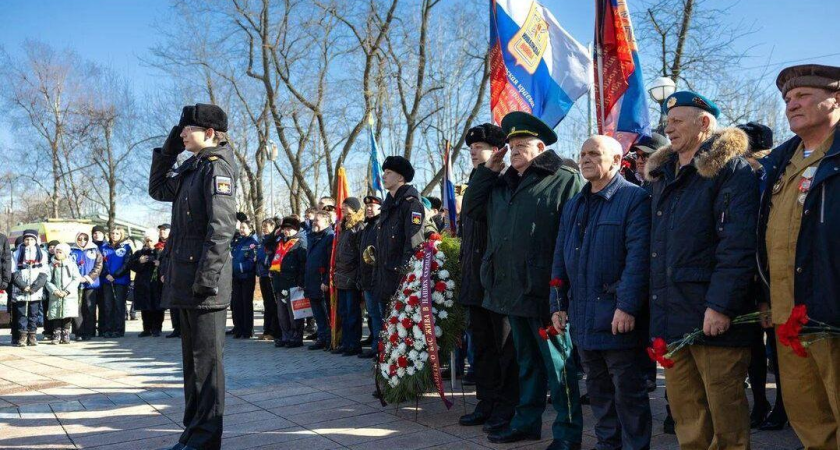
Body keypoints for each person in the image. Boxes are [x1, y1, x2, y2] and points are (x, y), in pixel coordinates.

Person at [643, 91, 759, 449]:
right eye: (667, 121)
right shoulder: (664, 175)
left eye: (677, 121)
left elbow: (737, 245)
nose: (669, 128)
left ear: (704, 123)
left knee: (725, 417)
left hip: (713, 316)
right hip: (674, 316)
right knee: (687, 414)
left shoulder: (732, 171)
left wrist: (721, 305)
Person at [462, 112, 583, 449]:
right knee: (526, 364)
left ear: (541, 147)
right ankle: (526, 423)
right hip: (509, 289)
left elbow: (574, 235)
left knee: (559, 369)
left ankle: (568, 433)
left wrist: (565, 290)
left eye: (521, 145)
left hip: (547, 292)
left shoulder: (564, 178)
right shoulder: (500, 182)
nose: (513, 151)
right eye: (510, 146)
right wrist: (489, 169)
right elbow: (471, 209)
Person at [757, 64, 840, 449]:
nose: (792, 105)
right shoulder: (778, 163)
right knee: (808, 414)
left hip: (832, 312)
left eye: (803, 95)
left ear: (835, 99)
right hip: (787, 315)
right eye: (788, 99)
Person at [551, 135, 652, 450]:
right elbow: (560, 258)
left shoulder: (635, 199)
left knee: (628, 392)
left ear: (618, 161)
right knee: (597, 390)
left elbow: (638, 260)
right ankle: (608, 444)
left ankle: (636, 446)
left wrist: (627, 306)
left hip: (616, 317)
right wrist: (557, 304)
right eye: (582, 153)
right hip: (582, 317)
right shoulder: (574, 204)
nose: (585, 159)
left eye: (594, 153)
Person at [149, 102, 237, 450]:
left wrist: (207, 278)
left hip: (204, 285)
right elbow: (157, 190)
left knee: (206, 367)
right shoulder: (193, 168)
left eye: (188, 129)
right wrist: (168, 152)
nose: (182, 133)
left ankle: (204, 440)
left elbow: (221, 228)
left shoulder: (216, 169)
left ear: (210, 133)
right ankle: (193, 434)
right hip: (187, 280)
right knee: (192, 368)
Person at [457, 123, 520, 435]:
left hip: (496, 279)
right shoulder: (476, 181)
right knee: (481, 347)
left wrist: (490, 174)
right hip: (474, 278)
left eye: (479, 147)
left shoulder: (506, 181)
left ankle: (505, 404)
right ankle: (486, 401)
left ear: (498, 151)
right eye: (470, 148)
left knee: (504, 348)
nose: (472, 151)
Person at [372, 155, 425, 312]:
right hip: (384, 280)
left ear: (400, 177)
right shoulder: (387, 207)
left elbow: (415, 244)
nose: (383, 176)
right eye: (384, 172)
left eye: (388, 172)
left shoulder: (411, 205)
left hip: (400, 282)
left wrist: (405, 279)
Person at [332, 197, 365, 356]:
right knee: (344, 312)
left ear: (354, 208)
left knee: (352, 313)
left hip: (351, 277)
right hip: (341, 276)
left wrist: (358, 276)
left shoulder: (358, 227)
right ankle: (346, 342)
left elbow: (359, 255)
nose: (342, 208)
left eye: (346, 206)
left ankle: (354, 344)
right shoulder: (344, 228)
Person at [270, 216, 307, 348]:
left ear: (295, 229)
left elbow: (303, 264)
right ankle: (286, 336)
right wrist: (276, 230)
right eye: (284, 229)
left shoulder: (300, 242)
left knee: (294, 313)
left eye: (289, 229)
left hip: (293, 282)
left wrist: (301, 281)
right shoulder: (281, 241)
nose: (286, 231)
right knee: (282, 313)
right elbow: (267, 245)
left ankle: (296, 337)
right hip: (280, 282)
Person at [11, 229, 50, 347]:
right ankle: (22, 336)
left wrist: (34, 287)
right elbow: (14, 271)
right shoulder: (17, 253)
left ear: (36, 240)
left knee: (34, 313)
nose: (29, 241)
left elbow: (44, 272)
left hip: (35, 288)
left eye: (32, 239)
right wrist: (23, 286)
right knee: (22, 313)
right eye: (27, 239)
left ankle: (32, 335)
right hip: (21, 287)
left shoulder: (42, 253)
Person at [304, 211, 334, 350]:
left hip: (322, 281)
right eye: (314, 220)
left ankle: (329, 339)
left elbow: (330, 262)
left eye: (317, 220)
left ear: (327, 222)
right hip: (312, 281)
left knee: (325, 313)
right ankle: (322, 338)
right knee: (317, 314)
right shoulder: (313, 236)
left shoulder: (329, 237)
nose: (314, 222)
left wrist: (327, 281)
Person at [357, 195, 382, 359]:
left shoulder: (381, 225)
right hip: (366, 278)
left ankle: (380, 347)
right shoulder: (367, 227)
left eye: (373, 206)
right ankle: (375, 345)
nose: (369, 208)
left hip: (378, 278)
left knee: (379, 315)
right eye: (367, 206)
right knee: (372, 315)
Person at [130, 229, 165, 337]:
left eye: (150, 240)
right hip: (143, 284)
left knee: (157, 307)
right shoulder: (139, 253)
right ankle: (146, 328)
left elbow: (167, 264)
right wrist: (140, 262)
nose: (149, 243)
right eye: (147, 240)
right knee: (145, 308)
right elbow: (132, 265)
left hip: (156, 284)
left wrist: (159, 264)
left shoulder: (161, 251)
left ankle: (157, 328)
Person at [45, 243, 82, 345]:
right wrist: (55, 290)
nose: (58, 254)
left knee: (67, 314)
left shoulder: (71, 264)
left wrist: (67, 291)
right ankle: (56, 333)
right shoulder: (51, 265)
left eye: (60, 252)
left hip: (68, 295)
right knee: (56, 314)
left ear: (66, 253)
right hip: (56, 294)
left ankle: (65, 333)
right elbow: (47, 280)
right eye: (57, 251)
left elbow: (76, 279)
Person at [71, 231, 103, 341]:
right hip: (76, 283)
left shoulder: (94, 249)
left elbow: (98, 265)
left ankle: (90, 331)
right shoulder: (72, 250)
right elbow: (70, 266)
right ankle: (78, 332)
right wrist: (77, 278)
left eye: (84, 239)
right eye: (79, 239)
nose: (82, 241)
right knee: (77, 308)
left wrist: (88, 278)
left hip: (91, 284)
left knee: (89, 308)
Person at [101, 228, 133, 338]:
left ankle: (118, 330)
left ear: (121, 235)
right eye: (112, 233)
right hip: (107, 280)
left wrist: (115, 275)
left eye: (117, 234)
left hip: (120, 280)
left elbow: (127, 264)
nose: (114, 235)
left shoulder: (126, 248)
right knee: (108, 306)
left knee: (119, 306)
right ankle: (108, 329)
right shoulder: (104, 248)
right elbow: (101, 263)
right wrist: (106, 274)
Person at [230, 220, 258, 339]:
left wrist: (239, 268)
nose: (242, 230)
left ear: (250, 229)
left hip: (246, 277)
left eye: (244, 228)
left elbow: (252, 261)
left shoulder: (252, 243)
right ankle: (239, 328)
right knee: (236, 304)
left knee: (246, 304)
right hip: (236, 277)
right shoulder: (238, 242)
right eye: (241, 227)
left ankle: (247, 330)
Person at [256, 218, 279, 342]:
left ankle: (273, 331)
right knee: (266, 305)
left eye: (266, 226)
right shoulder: (262, 241)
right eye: (263, 226)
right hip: (263, 275)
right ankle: (266, 330)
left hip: (271, 275)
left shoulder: (273, 240)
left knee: (272, 304)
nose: (264, 228)